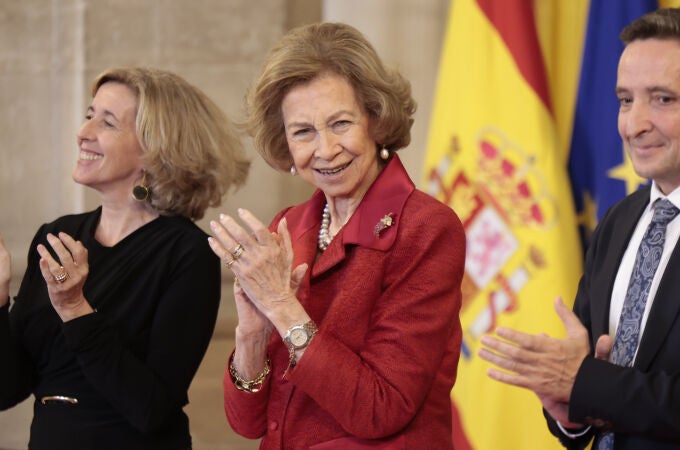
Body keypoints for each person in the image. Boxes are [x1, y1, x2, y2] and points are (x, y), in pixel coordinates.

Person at [207, 22, 466, 449]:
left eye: (340, 123)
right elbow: (248, 423)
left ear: (376, 122)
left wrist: (280, 306)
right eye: (303, 131)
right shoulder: (287, 227)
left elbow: (381, 407)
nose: (325, 149)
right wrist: (252, 333)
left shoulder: (425, 228)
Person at [0, 66, 250, 450]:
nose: (83, 133)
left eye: (108, 123)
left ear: (155, 149)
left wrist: (75, 309)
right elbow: (7, 390)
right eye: (89, 115)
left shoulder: (188, 253)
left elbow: (150, 409)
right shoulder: (57, 234)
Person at [478, 7, 680, 450]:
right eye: (626, 100)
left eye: (663, 99)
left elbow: (593, 380)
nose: (634, 124)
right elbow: (585, 380)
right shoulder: (619, 221)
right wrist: (570, 410)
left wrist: (587, 384)